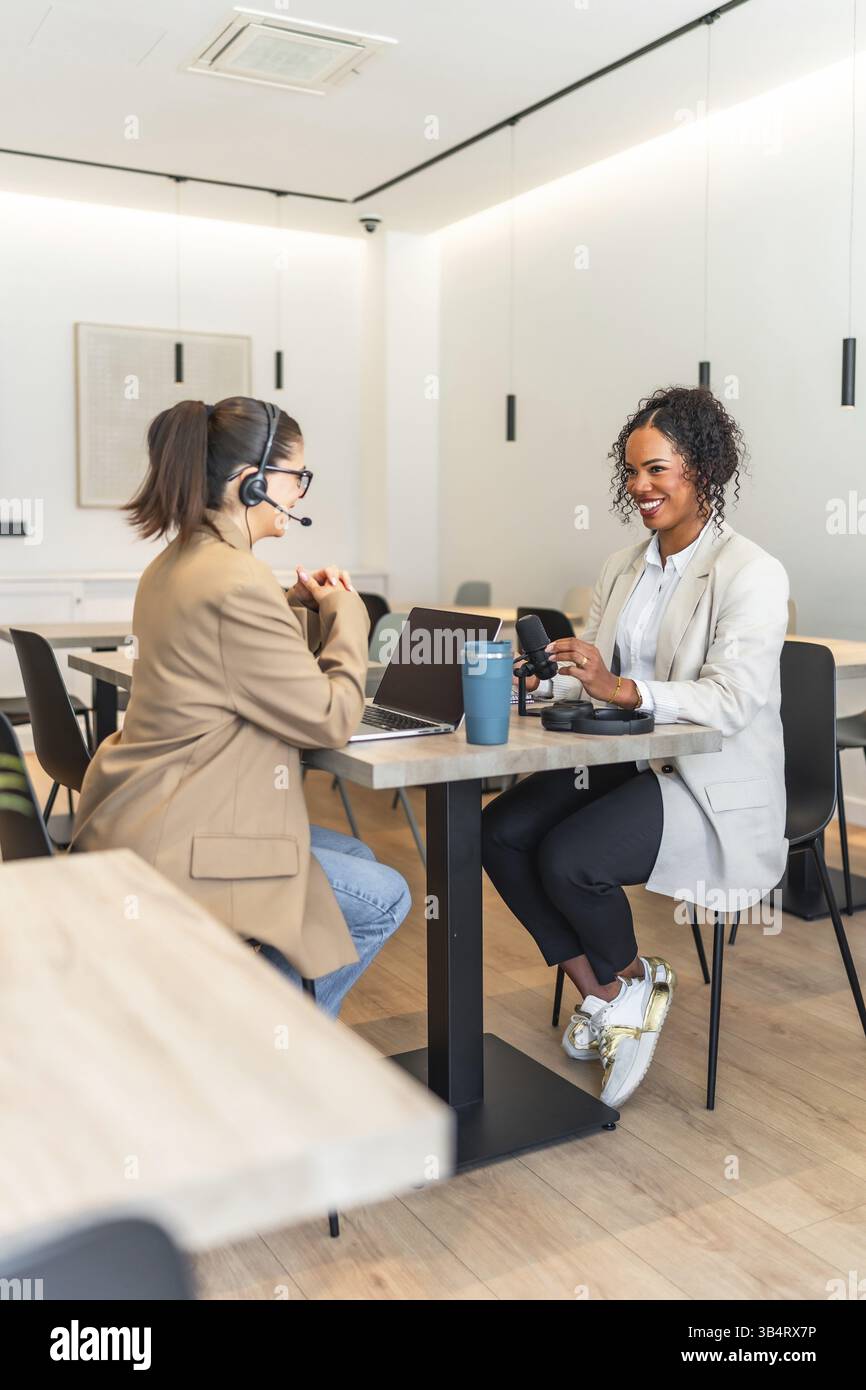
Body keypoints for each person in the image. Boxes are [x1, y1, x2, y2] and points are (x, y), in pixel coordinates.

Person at [482, 386, 789, 1106]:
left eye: (657, 470)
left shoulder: (751, 573)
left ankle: (631, 987)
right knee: (496, 831)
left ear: (703, 472)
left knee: (570, 859)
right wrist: (553, 687)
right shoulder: (624, 566)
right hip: (625, 759)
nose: (639, 487)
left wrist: (622, 690)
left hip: (707, 776)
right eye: (631, 473)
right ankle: (614, 993)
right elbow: (598, 680)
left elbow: (731, 701)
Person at [71, 396, 410, 1017]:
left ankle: (248, 1018)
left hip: (143, 812)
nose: (302, 492)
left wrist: (296, 608)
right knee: (386, 895)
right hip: (184, 842)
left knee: (357, 857)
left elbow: (238, 666)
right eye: (296, 477)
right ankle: (262, 1044)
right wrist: (348, 619)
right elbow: (330, 719)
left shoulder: (180, 562)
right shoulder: (237, 580)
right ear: (253, 481)